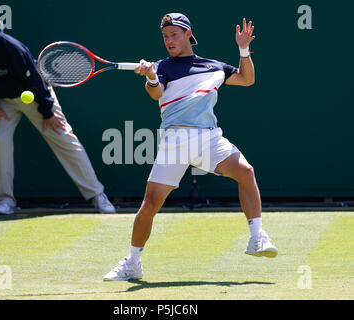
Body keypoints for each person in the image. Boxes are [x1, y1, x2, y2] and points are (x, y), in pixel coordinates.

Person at [104, 13, 278, 281]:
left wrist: (243, 50)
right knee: (150, 205)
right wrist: (150, 76)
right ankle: (133, 263)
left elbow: (247, 79)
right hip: (175, 140)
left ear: (188, 35)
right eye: (165, 37)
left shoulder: (214, 67)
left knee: (246, 172)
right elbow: (156, 93)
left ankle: (257, 238)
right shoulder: (162, 66)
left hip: (209, 138)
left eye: (174, 35)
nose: (169, 41)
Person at [0, 3, 116, 215]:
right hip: (4, 101)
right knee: (0, 139)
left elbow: (35, 79)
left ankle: (98, 196)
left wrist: (47, 112)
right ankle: (4, 201)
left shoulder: (13, 48)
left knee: (63, 135)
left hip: (36, 95)